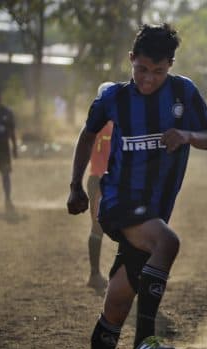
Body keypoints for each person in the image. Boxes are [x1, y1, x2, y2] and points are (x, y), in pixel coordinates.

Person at [65, 23, 207, 349]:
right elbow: (88, 134)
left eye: (158, 71)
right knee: (168, 242)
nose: (148, 79)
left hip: (152, 209)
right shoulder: (113, 96)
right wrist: (76, 185)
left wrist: (185, 135)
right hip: (116, 201)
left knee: (114, 306)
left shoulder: (184, 93)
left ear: (171, 67)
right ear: (132, 59)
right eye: (142, 69)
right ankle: (145, 339)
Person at [85, 82, 114, 291]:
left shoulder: (113, 122)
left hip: (111, 180)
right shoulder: (100, 124)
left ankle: (118, 275)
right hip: (98, 180)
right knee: (98, 227)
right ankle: (94, 275)